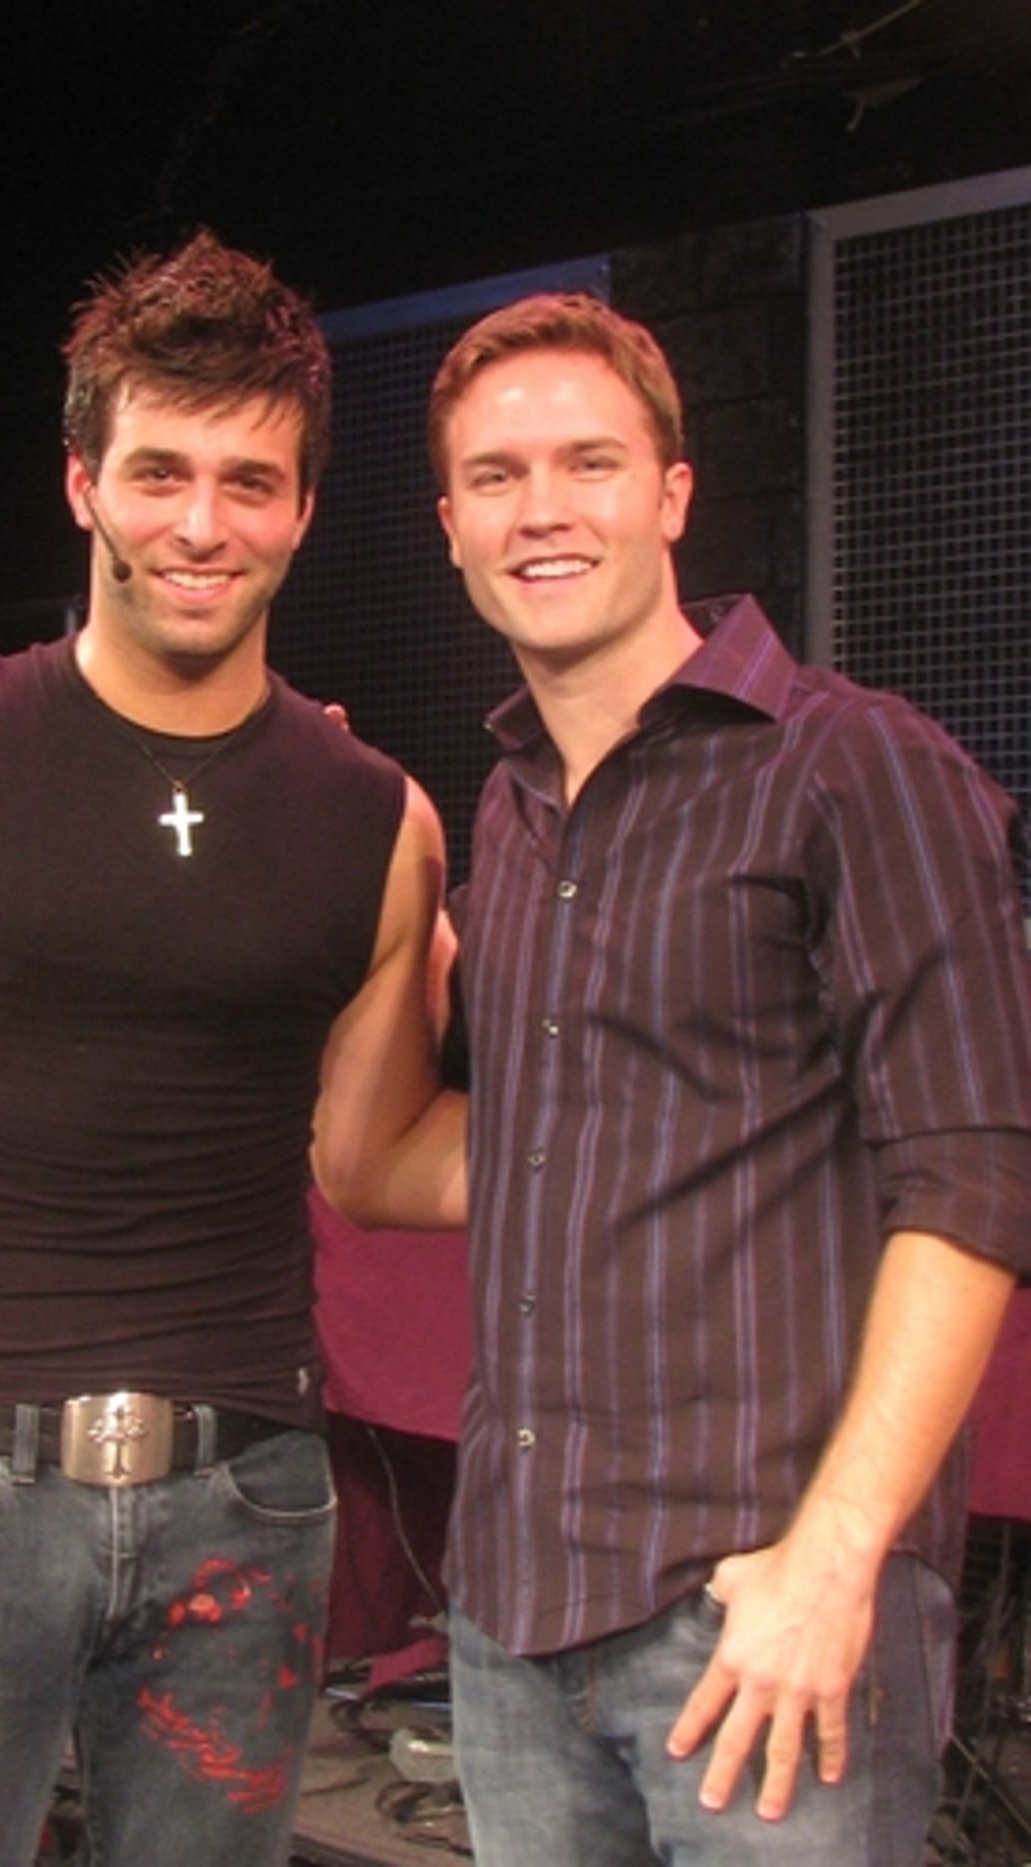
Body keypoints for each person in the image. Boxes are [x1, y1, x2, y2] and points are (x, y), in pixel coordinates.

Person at [0, 229, 459, 1867]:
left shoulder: (380, 822)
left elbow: (371, 1158)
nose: (202, 526)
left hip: (248, 1513)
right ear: (82, 485)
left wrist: (668, 1127)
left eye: (250, 483)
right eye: (159, 474)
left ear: (305, 508)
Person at [424, 292, 1031, 1863]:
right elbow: (507, 1151)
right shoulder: (509, 813)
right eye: (495, 477)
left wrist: (836, 1561)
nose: (542, 509)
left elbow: (976, 1173)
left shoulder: (854, 764)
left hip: (762, 1620)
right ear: (450, 526)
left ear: (674, 494)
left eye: (589, 463)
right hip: (515, 1623)